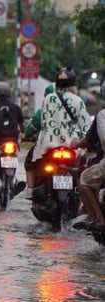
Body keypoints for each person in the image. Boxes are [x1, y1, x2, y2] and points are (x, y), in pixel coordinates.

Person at [28, 66, 91, 197]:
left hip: (49, 146)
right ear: (74, 84)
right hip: (72, 147)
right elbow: (85, 128)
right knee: (81, 175)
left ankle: (34, 191)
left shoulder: (48, 99)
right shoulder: (78, 101)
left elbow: (44, 124)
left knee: (37, 167)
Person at [70, 80, 105, 232]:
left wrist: (77, 144)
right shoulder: (81, 105)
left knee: (84, 179)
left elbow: (88, 141)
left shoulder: (102, 115)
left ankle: (97, 217)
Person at [22, 84, 55, 197]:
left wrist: (26, 136)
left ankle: (30, 189)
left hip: (46, 146)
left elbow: (29, 131)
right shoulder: (69, 110)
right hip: (68, 145)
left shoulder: (42, 112)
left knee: (29, 163)